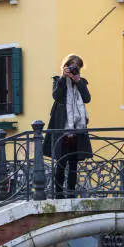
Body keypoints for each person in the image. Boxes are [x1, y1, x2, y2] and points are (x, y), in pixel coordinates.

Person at [43, 54, 93, 199]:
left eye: (77, 66)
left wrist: (78, 81)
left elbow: (87, 98)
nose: (74, 67)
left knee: (73, 164)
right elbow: (57, 96)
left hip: (77, 130)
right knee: (60, 163)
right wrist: (63, 78)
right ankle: (58, 196)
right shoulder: (58, 81)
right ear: (65, 66)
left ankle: (71, 194)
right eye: (72, 64)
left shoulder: (81, 81)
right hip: (62, 128)